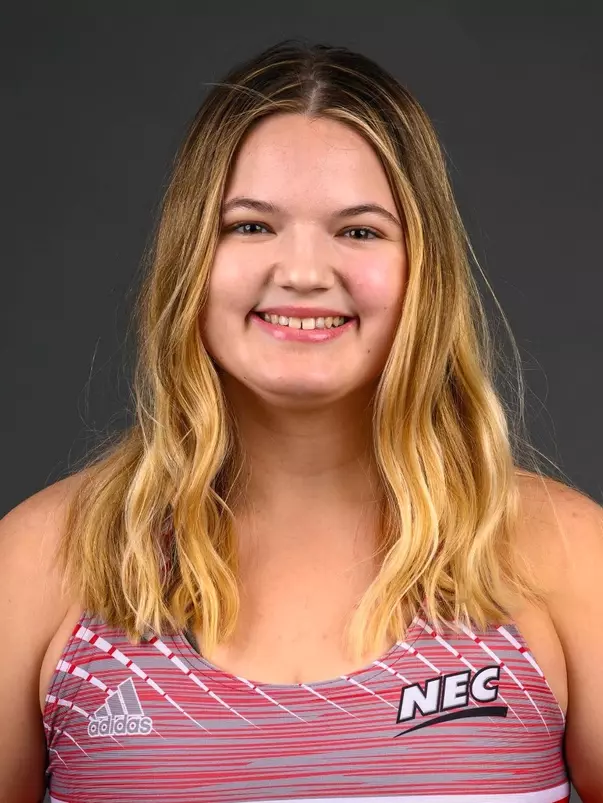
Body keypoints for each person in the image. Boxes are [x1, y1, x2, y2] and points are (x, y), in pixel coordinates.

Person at [1, 37, 601, 803]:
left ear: (424, 268)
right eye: (250, 226)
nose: (305, 272)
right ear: (191, 257)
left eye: (359, 230)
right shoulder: (41, 563)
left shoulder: (563, 554)